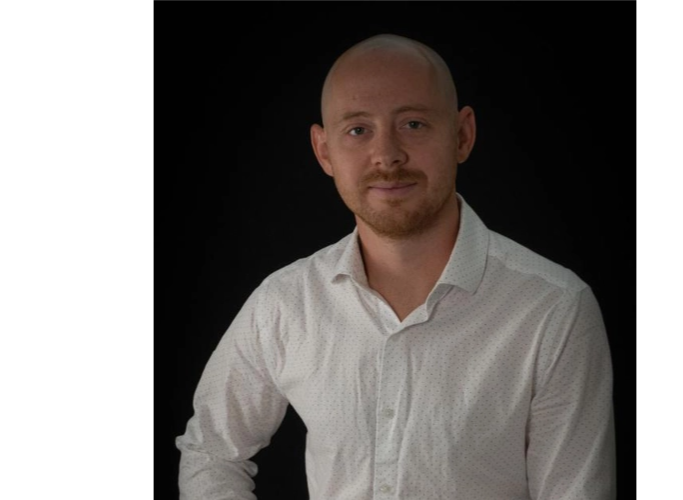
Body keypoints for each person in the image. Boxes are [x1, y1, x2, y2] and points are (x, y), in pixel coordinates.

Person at [176, 34, 615, 499]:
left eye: (413, 124)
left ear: (462, 135)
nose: (387, 155)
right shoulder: (284, 303)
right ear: (324, 151)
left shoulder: (553, 308)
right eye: (358, 130)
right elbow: (211, 451)